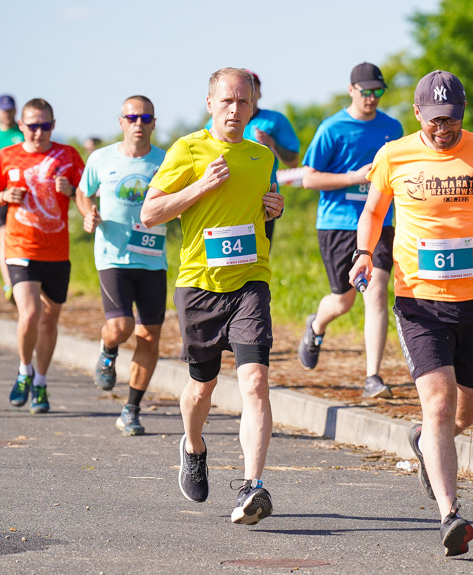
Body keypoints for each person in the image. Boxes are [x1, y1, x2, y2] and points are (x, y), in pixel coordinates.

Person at [349, 70, 473, 556]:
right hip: (419, 300)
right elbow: (372, 212)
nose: (442, 129)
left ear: (462, 116)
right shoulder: (394, 154)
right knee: (440, 405)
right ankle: (451, 514)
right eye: (434, 120)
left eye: (450, 120)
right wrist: (364, 253)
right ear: (417, 114)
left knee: (462, 416)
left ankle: (425, 441)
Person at [140, 68, 285, 526]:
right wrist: (200, 186)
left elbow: (265, 207)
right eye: (226, 101)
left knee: (255, 381)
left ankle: (252, 486)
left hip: (250, 281)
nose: (234, 109)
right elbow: (150, 213)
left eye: (243, 102)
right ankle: (193, 446)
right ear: (210, 103)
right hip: (200, 284)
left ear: (253, 106)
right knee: (202, 385)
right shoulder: (187, 149)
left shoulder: (262, 157)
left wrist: (273, 208)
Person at [298, 62, 403, 399]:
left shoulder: (393, 127)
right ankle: (316, 325)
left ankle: (373, 376)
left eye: (377, 92)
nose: (371, 98)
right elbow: (308, 178)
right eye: (365, 92)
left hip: (379, 222)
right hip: (338, 224)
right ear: (351, 90)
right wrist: (354, 177)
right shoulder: (332, 128)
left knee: (376, 290)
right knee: (343, 302)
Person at [0, 98, 85, 415]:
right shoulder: (6, 156)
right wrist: (2, 196)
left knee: (49, 320)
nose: (38, 131)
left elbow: (84, 192)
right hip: (20, 247)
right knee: (28, 314)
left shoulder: (67, 155)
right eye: (32, 125)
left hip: (56, 251)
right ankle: (23, 370)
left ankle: (40, 382)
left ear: (52, 126)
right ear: (21, 126)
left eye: (44, 125)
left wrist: (71, 191)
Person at [75, 95, 167, 436]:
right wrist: (88, 214)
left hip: (153, 256)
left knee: (149, 335)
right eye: (132, 117)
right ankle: (108, 348)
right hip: (112, 255)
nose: (138, 124)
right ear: (121, 122)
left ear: (154, 123)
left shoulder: (167, 160)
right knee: (122, 326)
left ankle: (131, 409)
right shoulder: (101, 158)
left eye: (145, 118)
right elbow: (83, 193)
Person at [204, 70, 300, 244]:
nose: (236, 106)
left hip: (262, 204)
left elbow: (293, 161)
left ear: (257, 94)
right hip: (224, 201)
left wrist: (271, 143)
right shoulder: (215, 122)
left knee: (254, 258)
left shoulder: (274, 120)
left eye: (248, 93)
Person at [0, 95, 25, 302]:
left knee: (21, 238)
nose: (7, 113)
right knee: (3, 238)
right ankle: (9, 284)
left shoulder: (24, 133)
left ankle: (27, 280)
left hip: (22, 195)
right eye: (3, 110)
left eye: (10, 110)